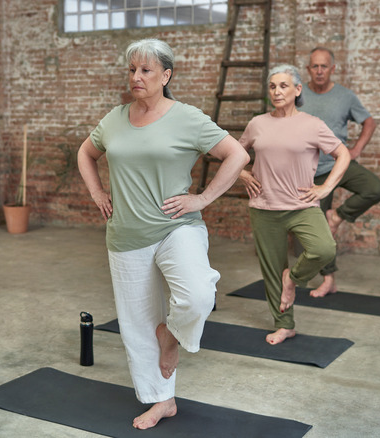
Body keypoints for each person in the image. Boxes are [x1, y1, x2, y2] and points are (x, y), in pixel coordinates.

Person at [77, 38, 249, 430]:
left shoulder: (187, 118)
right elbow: (85, 153)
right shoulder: (115, 118)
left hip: (177, 227)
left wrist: (202, 198)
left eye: (146, 70)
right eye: (132, 70)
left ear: (166, 75)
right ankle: (161, 400)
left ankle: (171, 335)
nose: (136, 77)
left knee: (198, 293)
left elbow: (237, 155)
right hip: (126, 234)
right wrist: (97, 192)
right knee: (137, 325)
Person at [238, 64, 350, 345]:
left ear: (298, 89)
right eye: (273, 86)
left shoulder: (312, 124)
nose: (277, 91)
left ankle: (294, 278)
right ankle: (284, 324)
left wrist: (326, 187)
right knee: (272, 271)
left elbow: (343, 154)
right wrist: (242, 173)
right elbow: (236, 154)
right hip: (264, 208)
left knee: (324, 249)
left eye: (284, 85)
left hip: (302, 206)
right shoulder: (257, 124)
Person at [302, 47, 380, 298]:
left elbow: (368, 122)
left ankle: (337, 216)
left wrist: (356, 149)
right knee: (319, 232)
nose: (319, 71)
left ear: (332, 69)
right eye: (315, 66)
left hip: (340, 164)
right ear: (308, 69)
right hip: (313, 171)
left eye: (324, 66)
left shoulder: (345, 96)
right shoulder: (299, 94)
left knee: (375, 189)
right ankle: (329, 279)